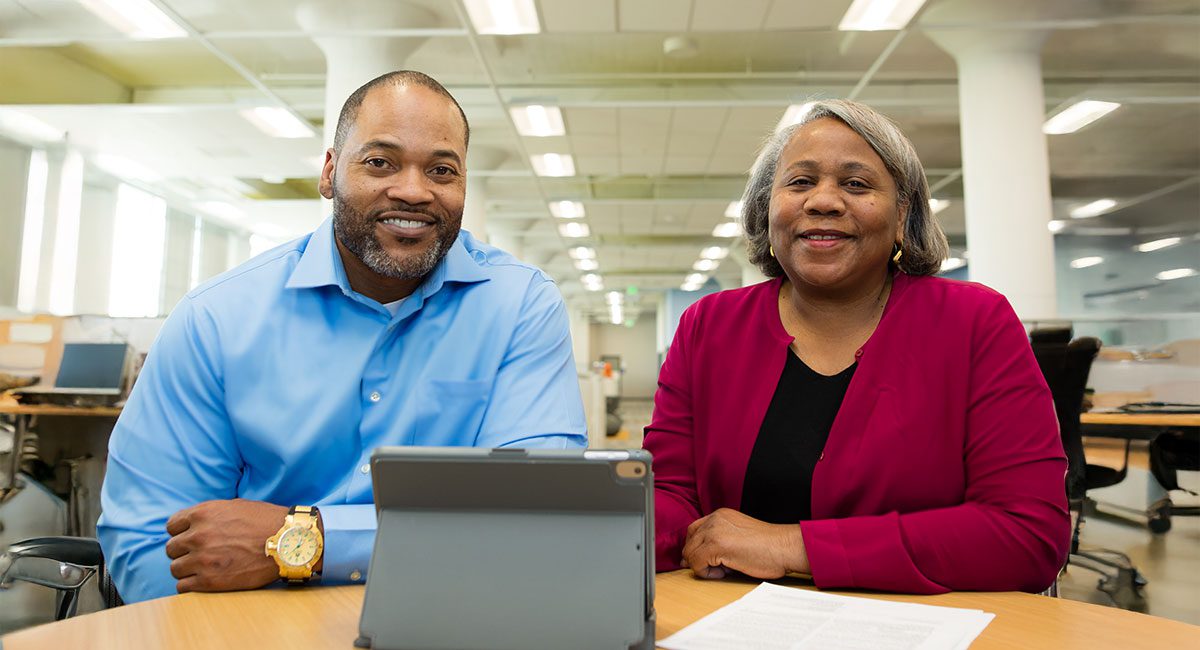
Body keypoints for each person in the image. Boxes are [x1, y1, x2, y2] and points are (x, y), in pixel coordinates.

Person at [98, 71, 587, 603]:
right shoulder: (215, 318)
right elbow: (152, 542)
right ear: (330, 172)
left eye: (442, 170)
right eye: (380, 162)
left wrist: (299, 540)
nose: (412, 190)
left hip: (442, 623)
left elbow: (537, 517)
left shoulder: (520, 306)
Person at [644, 99, 1069, 594]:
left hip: (921, 627)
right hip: (734, 622)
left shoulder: (974, 321)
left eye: (856, 184)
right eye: (800, 182)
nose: (823, 201)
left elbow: (1027, 534)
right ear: (767, 208)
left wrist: (790, 547)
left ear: (901, 214)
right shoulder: (709, 325)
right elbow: (670, 495)